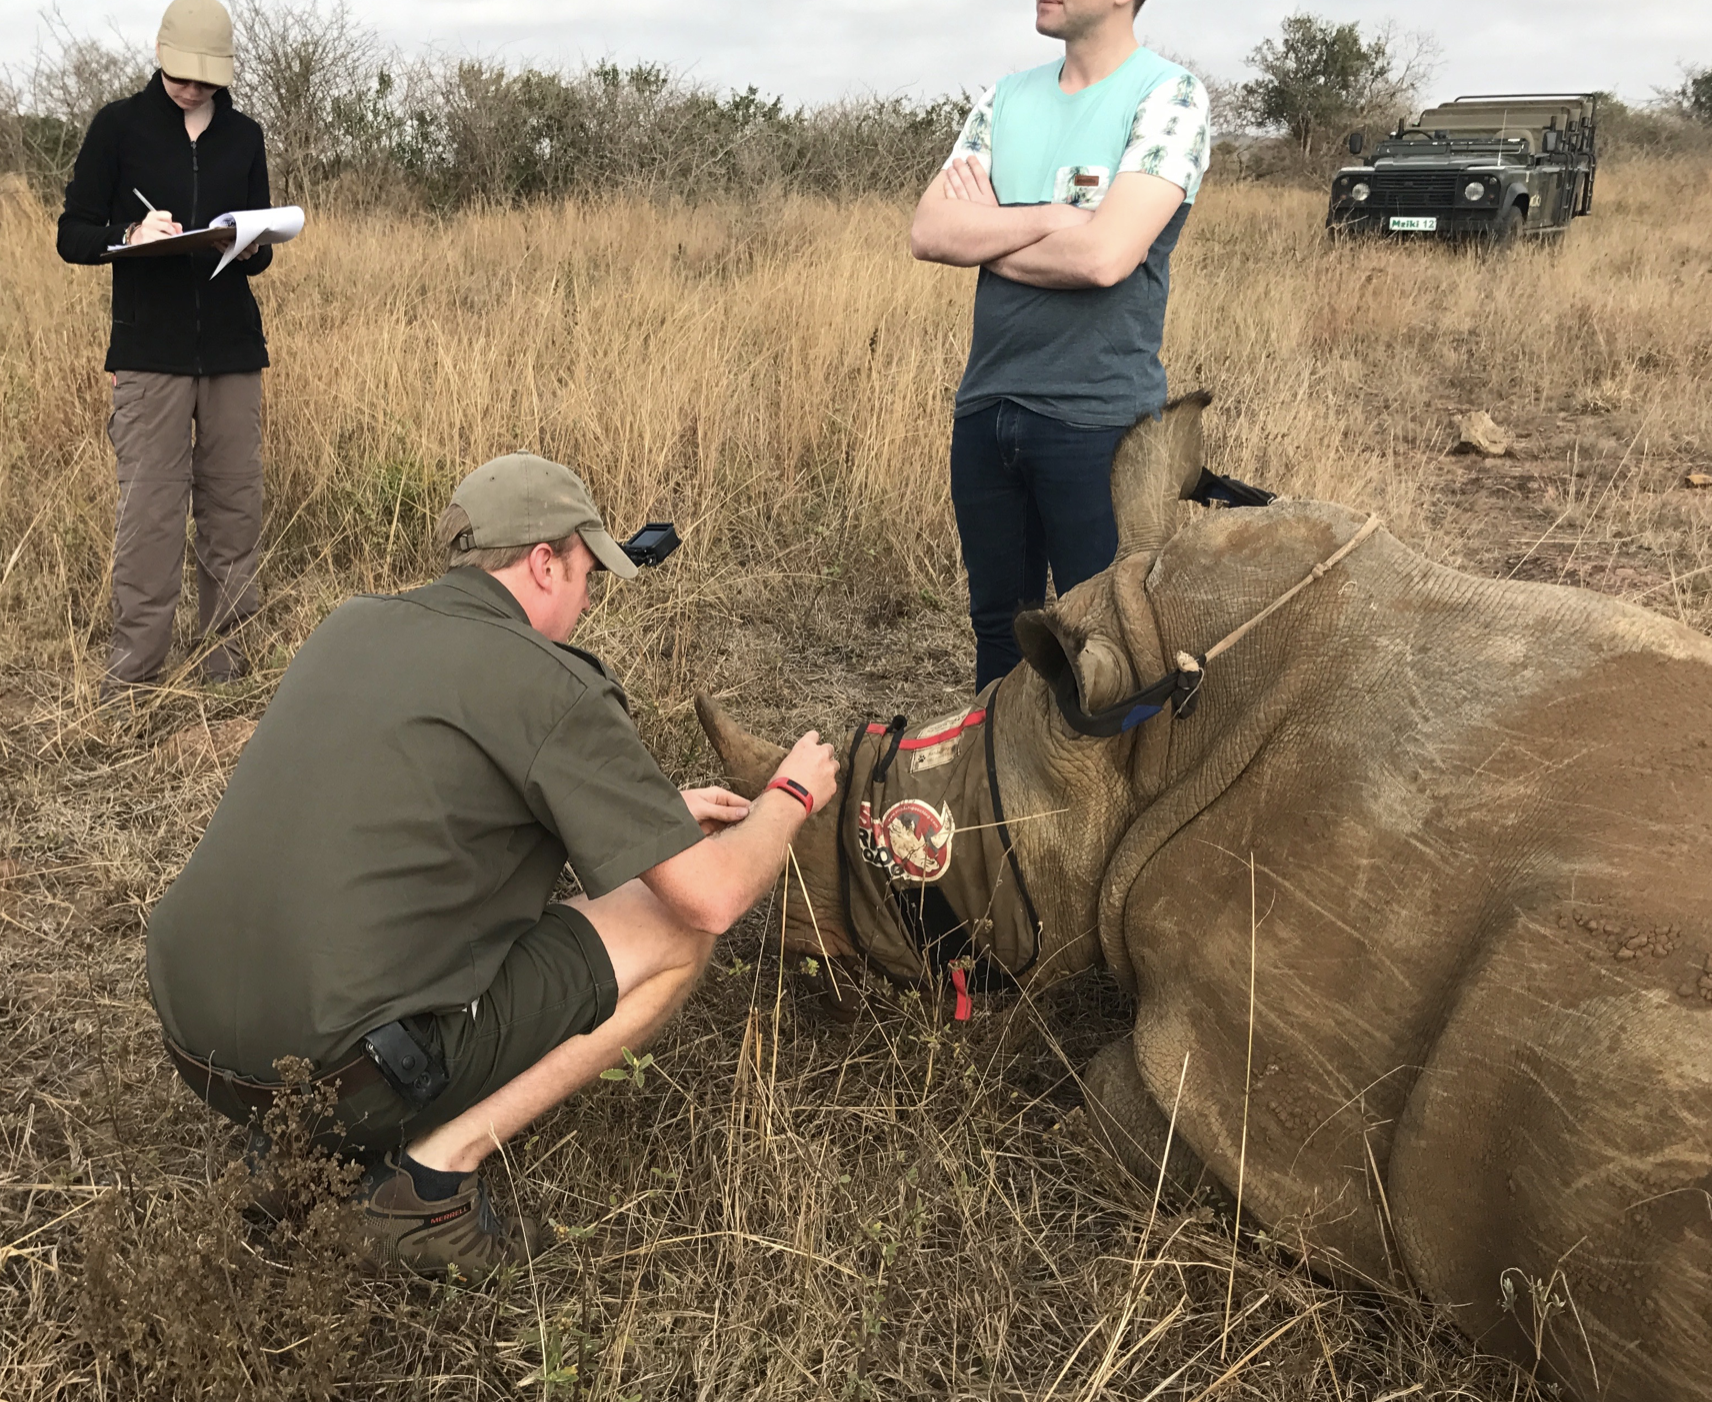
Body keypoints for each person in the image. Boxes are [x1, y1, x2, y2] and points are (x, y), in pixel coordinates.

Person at [144, 453, 840, 1278]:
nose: (587, 599)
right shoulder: (550, 682)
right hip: (346, 1075)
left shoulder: (350, 623)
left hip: (198, 1053)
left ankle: (278, 1155)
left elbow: (417, 811)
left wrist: (651, 821)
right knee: (678, 936)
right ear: (544, 562)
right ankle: (428, 1184)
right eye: (587, 573)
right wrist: (789, 796)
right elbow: (714, 897)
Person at [909, 0, 1212, 691]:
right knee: (998, 629)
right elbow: (929, 232)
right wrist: (1054, 217)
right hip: (987, 411)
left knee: (1105, 642)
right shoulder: (1005, 98)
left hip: (1097, 420)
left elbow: (1105, 258)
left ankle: (1103, 796)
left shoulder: (1169, 95)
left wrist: (989, 230)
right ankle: (1006, 789)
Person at [57, 0, 274, 696]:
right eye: (182, 75)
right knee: (150, 513)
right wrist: (130, 235)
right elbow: (73, 234)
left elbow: (260, 255)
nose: (192, 88)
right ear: (161, 55)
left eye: (206, 80)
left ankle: (228, 663)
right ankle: (134, 677)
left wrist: (249, 245)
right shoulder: (117, 127)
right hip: (149, 354)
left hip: (234, 353)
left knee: (234, 506)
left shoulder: (246, 136)